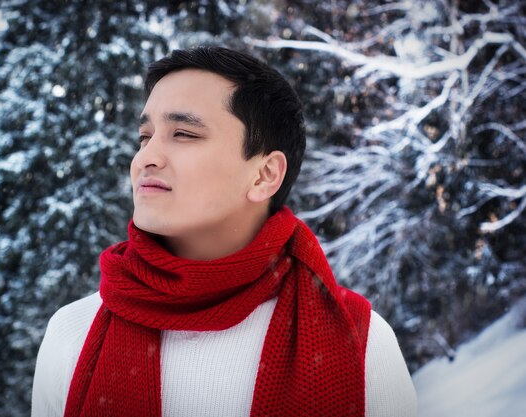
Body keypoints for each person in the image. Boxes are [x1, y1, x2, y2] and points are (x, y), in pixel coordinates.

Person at [31, 46, 417, 417]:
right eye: (145, 137)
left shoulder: (361, 342)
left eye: (183, 133)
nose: (145, 157)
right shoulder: (73, 335)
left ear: (264, 175)